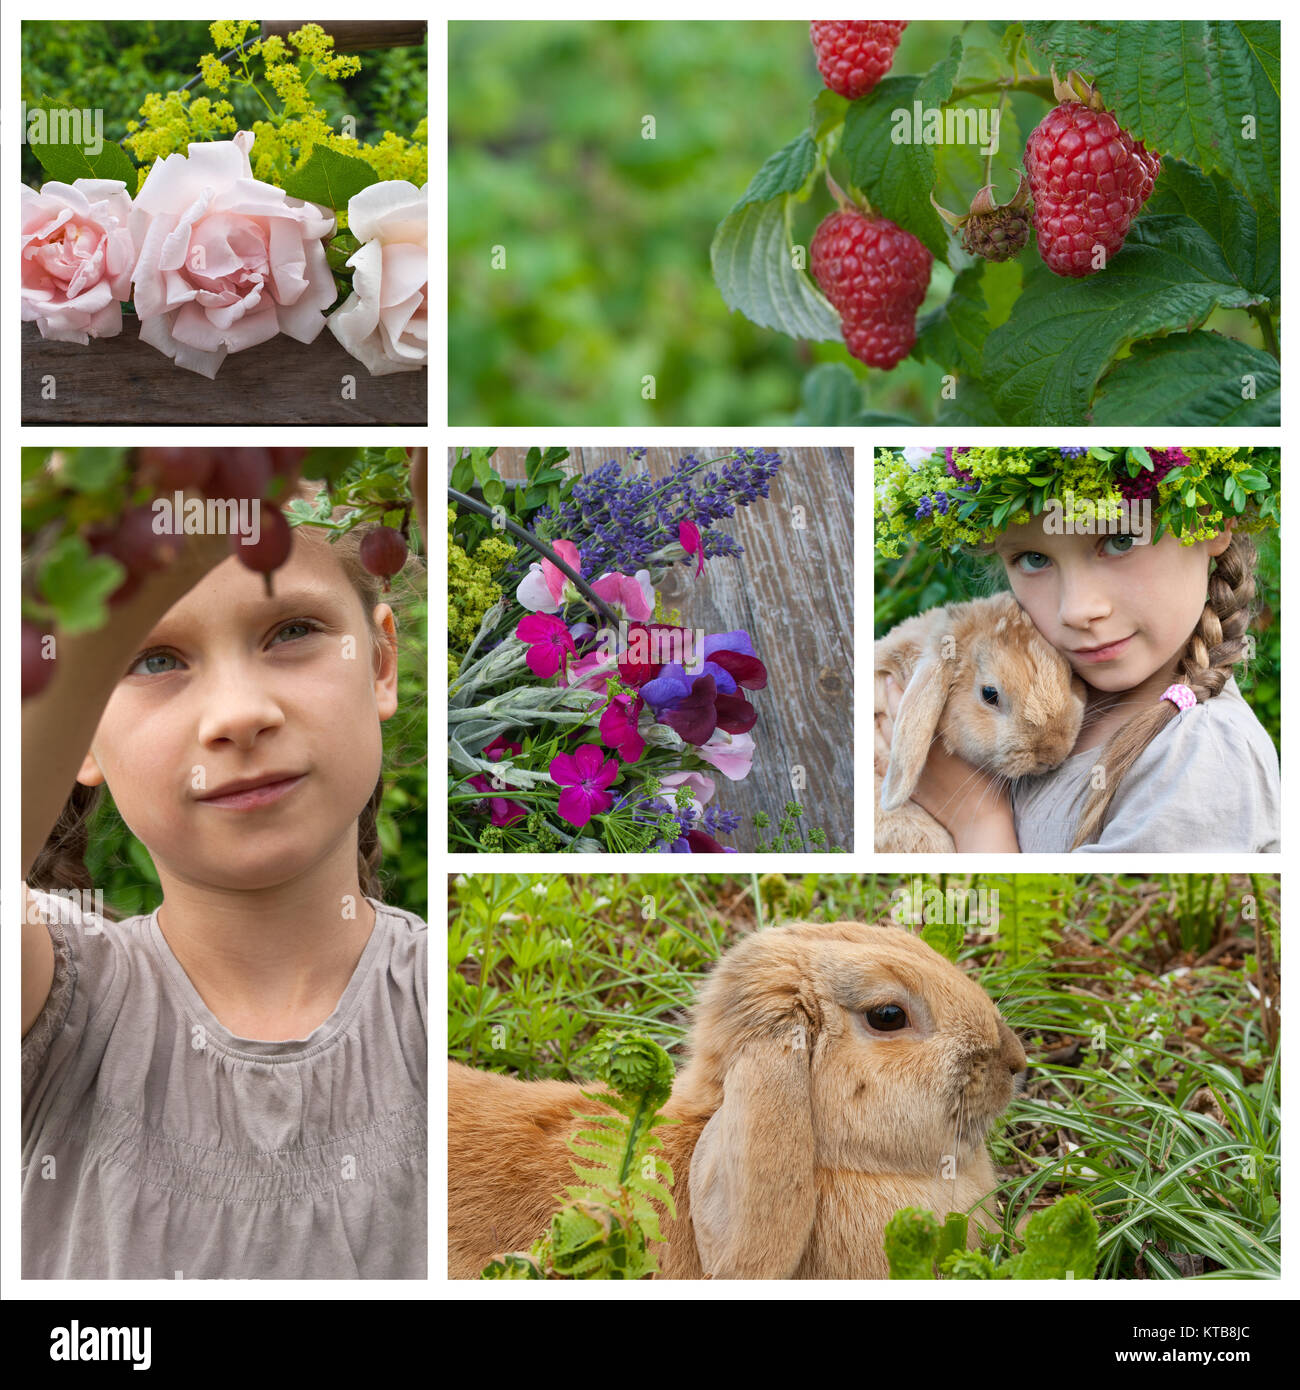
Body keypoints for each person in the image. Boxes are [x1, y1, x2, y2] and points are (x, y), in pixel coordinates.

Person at [21, 475, 427, 1278]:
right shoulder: (51, 1002)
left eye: (291, 631)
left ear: (379, 662)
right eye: (150, 657)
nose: (238, 715)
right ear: (81, 738)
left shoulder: (443, 991)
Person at [874, 446, 1280, 853]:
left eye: (1120, 539)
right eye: (1033, 558)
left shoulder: (1201, 759)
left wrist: (974, 815)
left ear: (1209, 523)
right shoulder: (1045, 691)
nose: (1077, 610)